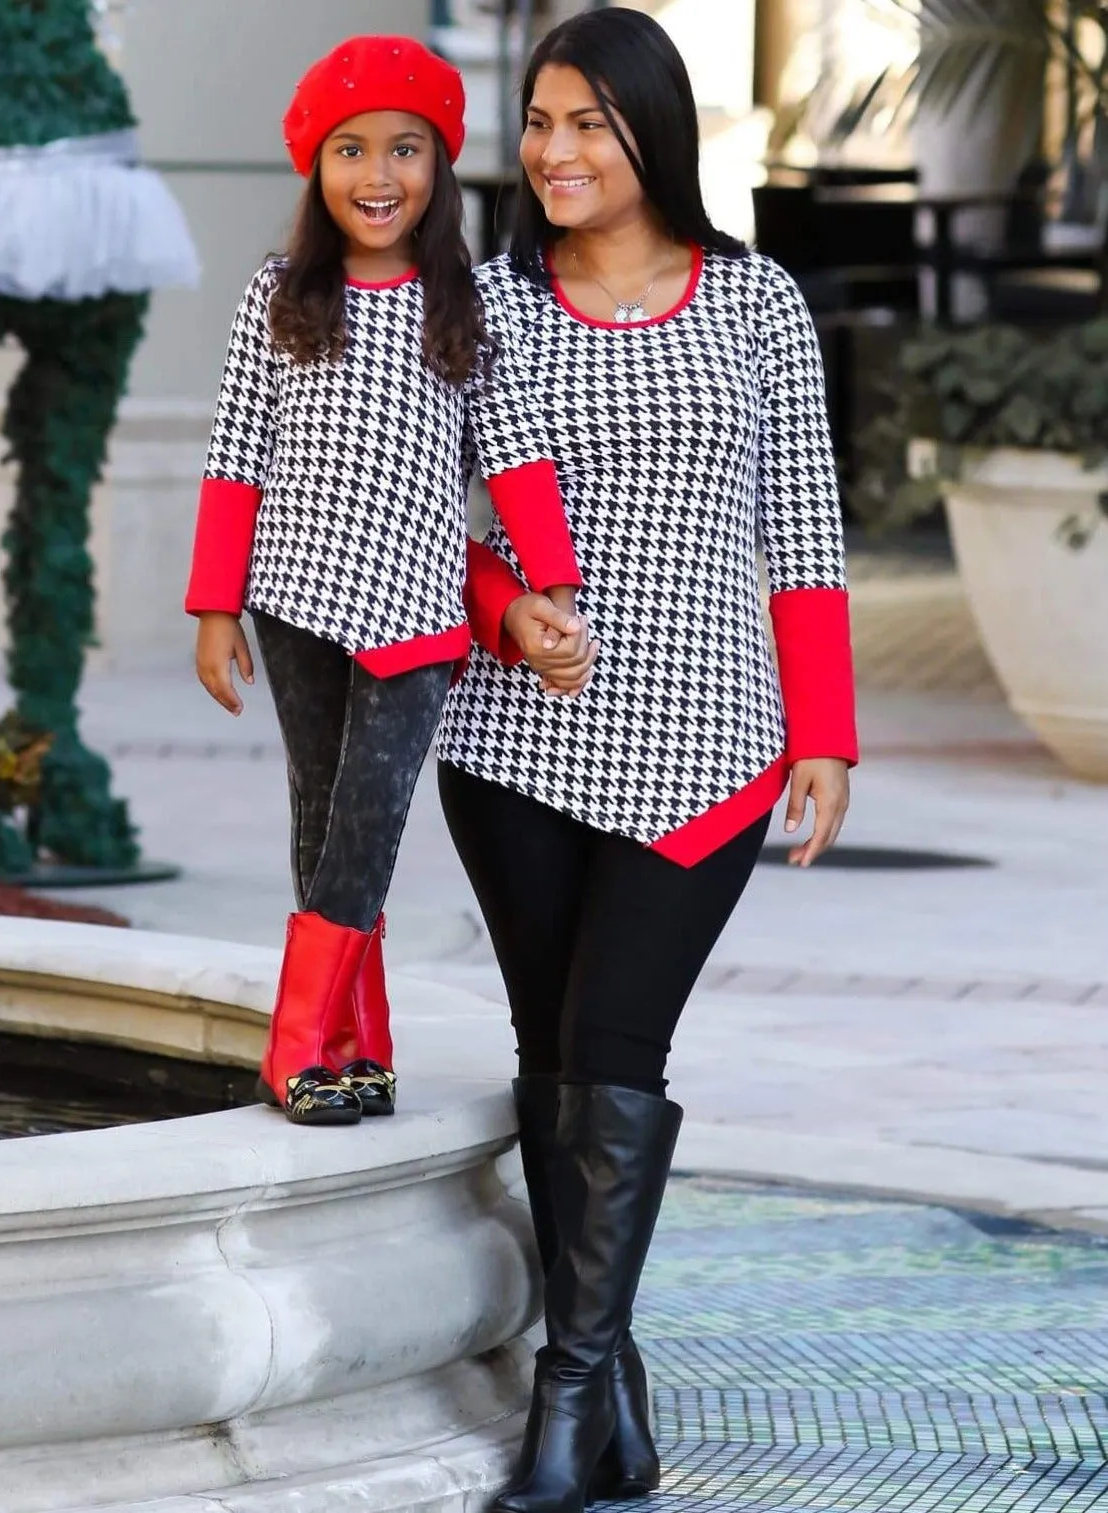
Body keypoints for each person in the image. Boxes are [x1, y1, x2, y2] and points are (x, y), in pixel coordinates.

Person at [438, 9, 858, 1510]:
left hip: (711, 749)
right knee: (553, 1061)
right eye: (539, 122)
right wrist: (508, 610)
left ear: (651, 135)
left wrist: (828, 734)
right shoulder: (483, 302)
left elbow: (801, 530)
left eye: (585, 125)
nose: (551, 151)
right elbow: (447, 530)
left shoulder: (757, 307)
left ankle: (567, 1395)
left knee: (615, 1049)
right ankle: (602, 1384)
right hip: (512, 750)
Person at [184, 35, 582, 1127]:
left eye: (404, 150)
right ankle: (358, 1044)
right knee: (319, 822)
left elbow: (514, 452)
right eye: (351, 150)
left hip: (415, 617)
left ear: (438, 167)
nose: (378, 176)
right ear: (317, 168)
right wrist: (216, 607)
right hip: (297, 600)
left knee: (368, 824)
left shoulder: (469, 303)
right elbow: (234, 454)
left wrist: (551, 584)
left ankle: (297, 1047)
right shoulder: (280, 293)